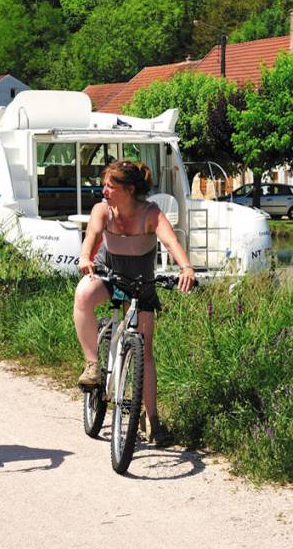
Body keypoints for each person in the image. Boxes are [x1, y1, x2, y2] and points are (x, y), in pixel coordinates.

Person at [73, 160, 196, 446]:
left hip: (141, 283)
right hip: (109, 275)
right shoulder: (102, 211)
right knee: (83, 294)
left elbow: (171, 243)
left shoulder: (150, 213)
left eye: (110, 186)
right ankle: (92, 364)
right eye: (104, 185)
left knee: (146, 350)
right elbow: (90, 238)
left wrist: (186, 267)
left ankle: (152, 419)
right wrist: (84, 258)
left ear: (128, 189)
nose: (103, 191)